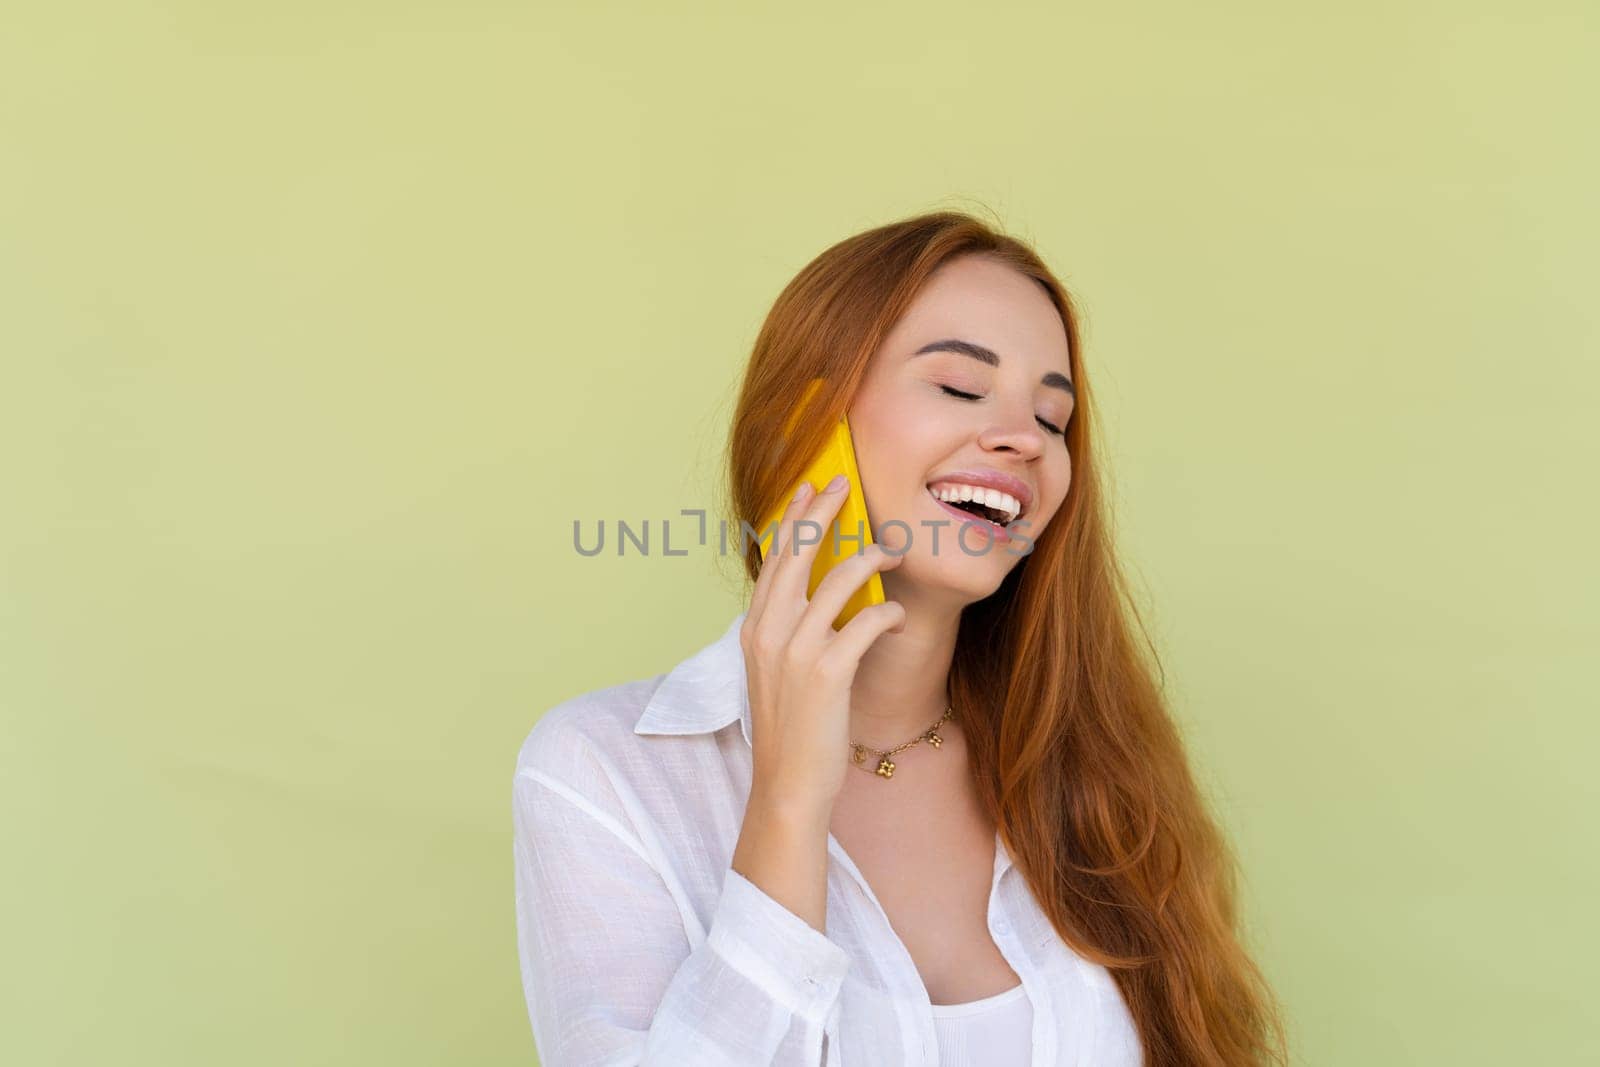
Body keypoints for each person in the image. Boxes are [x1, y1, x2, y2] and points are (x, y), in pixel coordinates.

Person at [512, 210, 1289, 1065]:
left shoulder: (1094, 766)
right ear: (802, 431)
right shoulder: (606, 770)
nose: (1023, 438)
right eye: (960, 387)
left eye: (1054, 419)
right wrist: (789, 800)